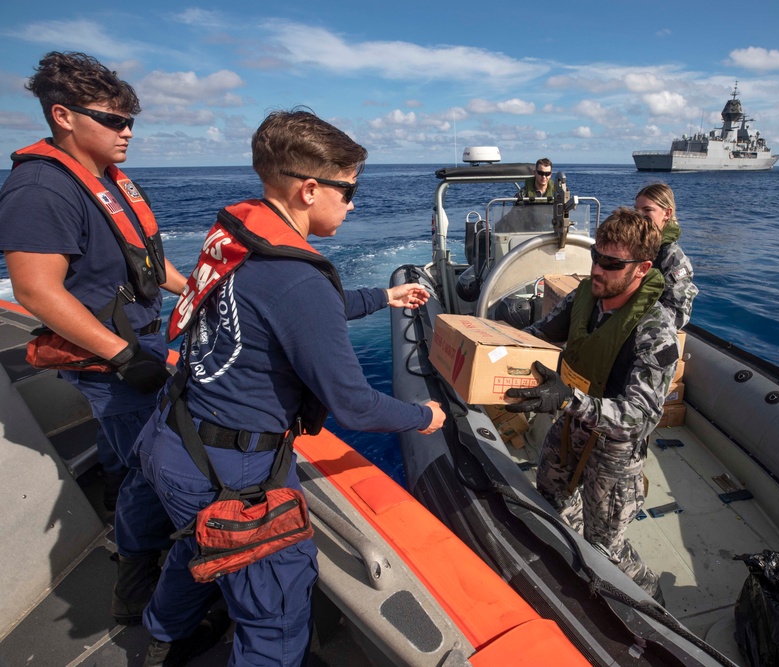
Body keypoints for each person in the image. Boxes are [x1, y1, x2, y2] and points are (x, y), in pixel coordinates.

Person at [136, 108, 447, 665]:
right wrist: (424, 417)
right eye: (349, 191)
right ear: (309, 189)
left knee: (195, 545)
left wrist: (383, 297)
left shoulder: (239, 236)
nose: (354, 204)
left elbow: (284, 315)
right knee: (276, 618)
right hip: (233, 474)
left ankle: (163, 631)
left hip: (171, 434)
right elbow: (352, 404)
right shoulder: (298, 280)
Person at [0, 51, 188, 625]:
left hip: (140, 342)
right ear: (63, 116)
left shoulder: (108, 181)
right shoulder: (41, 189)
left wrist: (203, 289)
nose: (127, 131)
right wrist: (124, 357)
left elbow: (147, 266)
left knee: (123, 455)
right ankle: (137, 589)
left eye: (130, 120)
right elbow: (35, 290)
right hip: (114, 357)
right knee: (151, 472)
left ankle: (116, 516)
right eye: (113, 120)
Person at [505, 208, 679, 603]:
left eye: (611, 263)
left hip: (615, 449)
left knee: (607, 546)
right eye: (596, 257)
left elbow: (638, 417)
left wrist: (568, 398)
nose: (598, 269)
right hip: (571, 424)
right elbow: (541, 333)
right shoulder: (586, 296)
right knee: (551, 498)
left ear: (642, 268)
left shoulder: (655, 328)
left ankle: (651, 601)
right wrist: (493, 346)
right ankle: (574, 567)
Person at [635, 183, 698, 329]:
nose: (639, 216)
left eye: (647, 210)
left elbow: (678, 314)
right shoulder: (634, 246)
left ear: (667, 213)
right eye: (636, 210)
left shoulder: (672, 257)